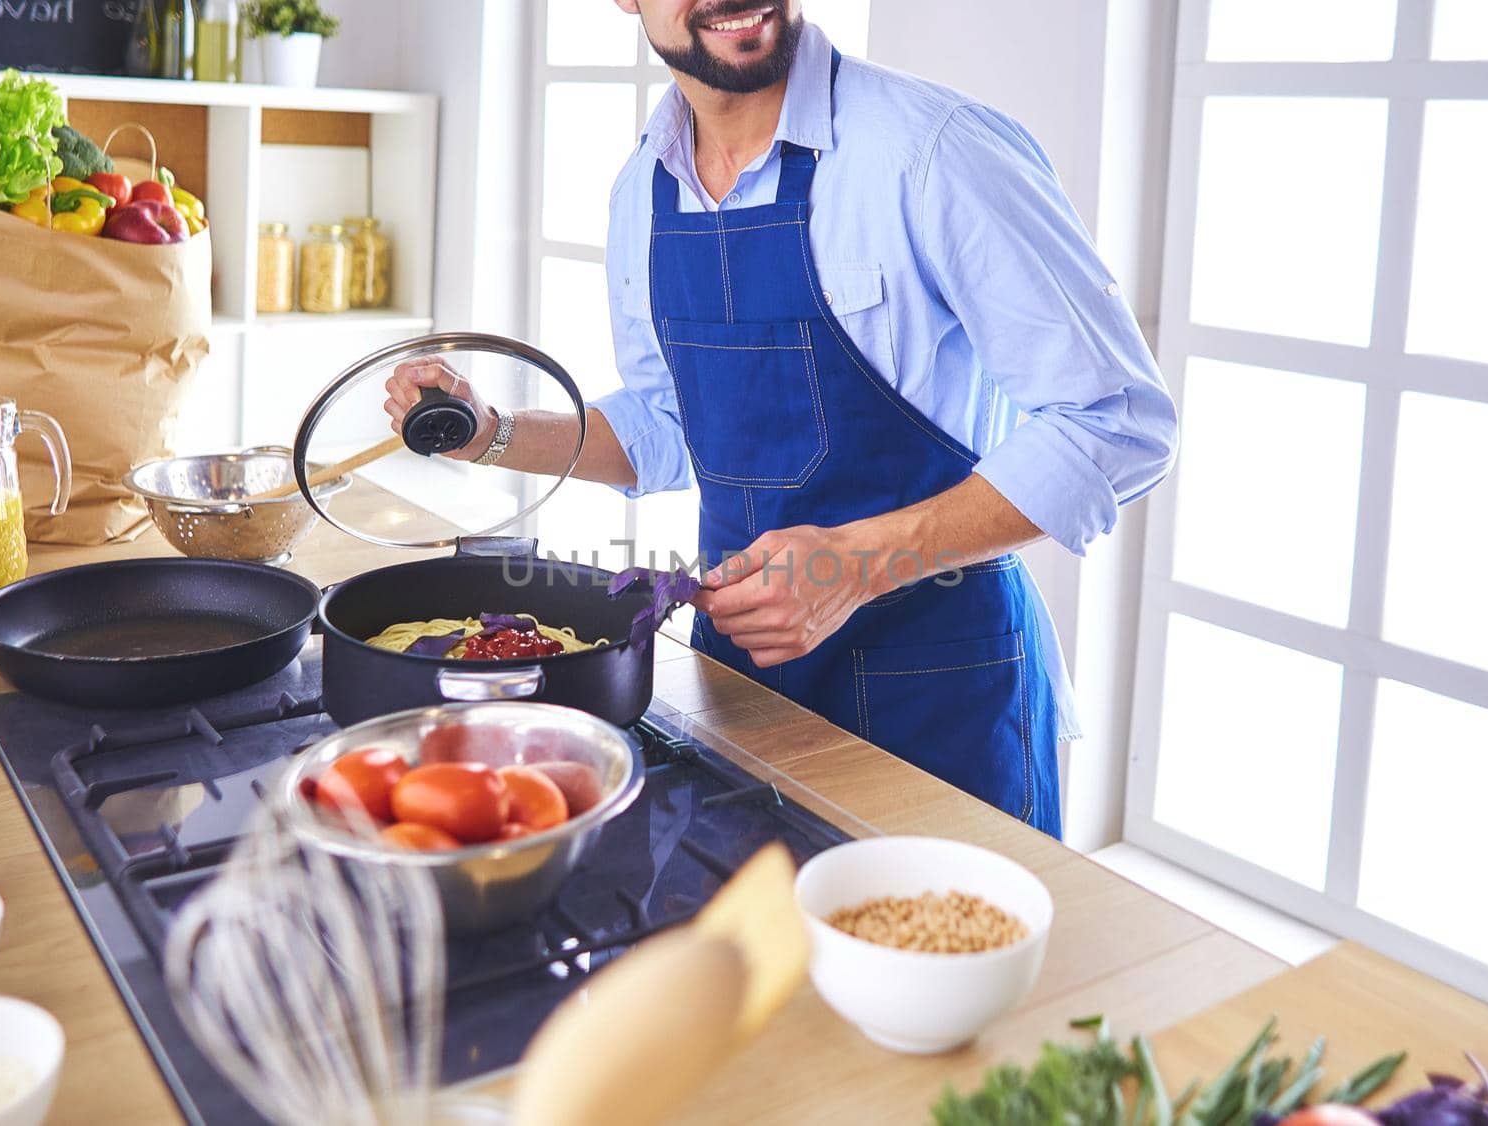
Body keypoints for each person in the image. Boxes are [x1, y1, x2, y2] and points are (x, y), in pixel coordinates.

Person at [383, 1, 1177, 838]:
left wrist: (858, 565)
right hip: (748, 690)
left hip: (944, 688)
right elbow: (668, 424)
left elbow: (1117, 420)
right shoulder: (644, 191)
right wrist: (491, 431)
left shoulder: (934, 151)